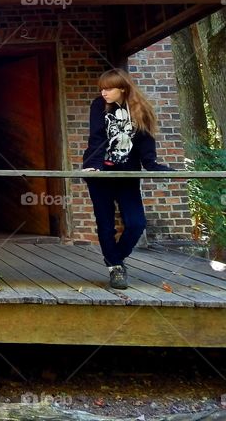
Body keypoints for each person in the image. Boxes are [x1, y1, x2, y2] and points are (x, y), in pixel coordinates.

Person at [82, 68, 172, 290]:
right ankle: (116, 270)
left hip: (127, 174)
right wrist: (93, 165)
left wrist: (151, 165)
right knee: (105, 224)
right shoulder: (98, 106)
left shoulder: (139, 109)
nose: (103, 93)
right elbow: (96, 137)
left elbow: (145, 140)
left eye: (108, 89)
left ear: (122, 89)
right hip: (101, 174)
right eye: (101, 89)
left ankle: (115, 258)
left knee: (136, 223)